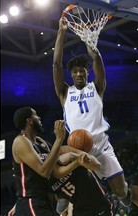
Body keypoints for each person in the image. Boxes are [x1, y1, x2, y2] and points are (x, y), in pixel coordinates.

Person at [53, 17, 128, 203]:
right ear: (71, 74)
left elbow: (97, 59)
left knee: (121, 192)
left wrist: (89, 40)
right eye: (75, 71)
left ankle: (124, 197)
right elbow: (56, 65)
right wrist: (61, 32)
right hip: (77, 149)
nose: (79, 73)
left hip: (100, 145)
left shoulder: (97, 87)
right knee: (68, 197)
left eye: (82, 70)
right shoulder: (64, 92)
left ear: (87, 72)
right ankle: (68, 198)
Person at [8, 146, 113, 216]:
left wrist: (75, 156)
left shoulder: (64, 151)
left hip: (98, 203)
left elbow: (97, 165)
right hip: (79, 210)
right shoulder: (44, 178)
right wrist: (18, 204)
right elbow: (32, 193)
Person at [10, 107, 66, 216]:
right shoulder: (20, 141)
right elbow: (44, 171)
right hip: (31, 202)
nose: (39, 117)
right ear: (29, 121)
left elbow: (56, 161)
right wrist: (59, 138)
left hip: (44, 201)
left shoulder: (40, 142)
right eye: (35, 115)